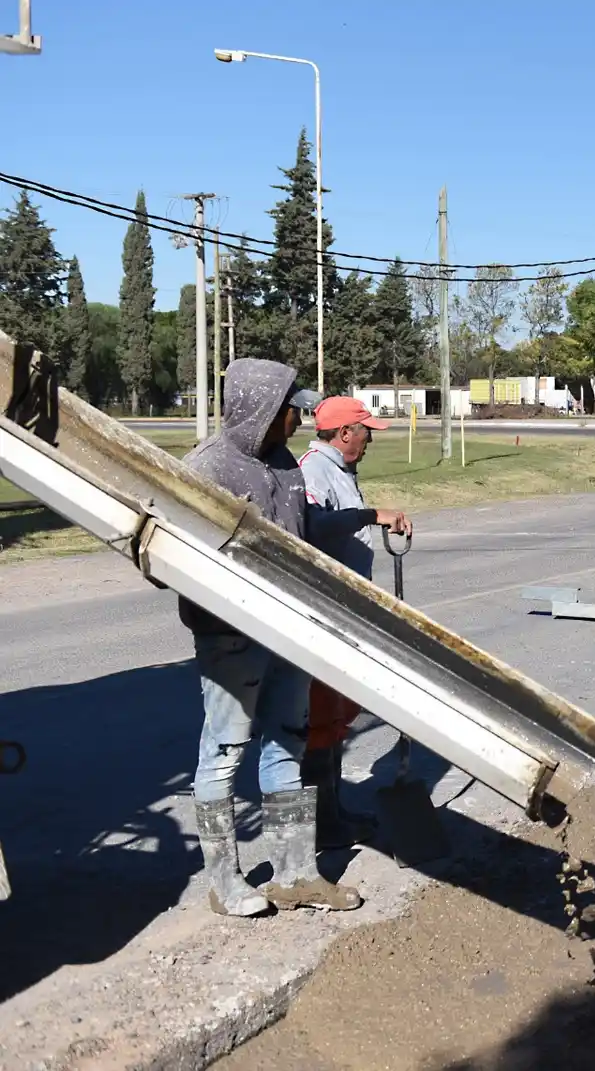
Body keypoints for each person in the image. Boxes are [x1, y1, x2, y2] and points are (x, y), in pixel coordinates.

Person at [178, 359, 374, 918]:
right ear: (262, 409)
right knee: (223, 752)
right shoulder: (207, 468)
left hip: (290, 625)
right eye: (292, 407)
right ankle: (223, 881)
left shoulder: (284, 463)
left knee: (289, 740)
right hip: (231, 635)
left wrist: (365, 516)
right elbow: (170, 556)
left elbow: (307, 532)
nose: (299, 416)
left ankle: (294, 874)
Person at [298, 395, 412, 849]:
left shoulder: (340, 469)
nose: (369, 440)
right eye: (366, 432)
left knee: (339, 714)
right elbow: (313, 524)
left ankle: (335, 810)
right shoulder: (314, 468)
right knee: (322, 717)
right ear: (345, 433)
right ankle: (322, 823)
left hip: (348, 611)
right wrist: (371, 515)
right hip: (326, 611)